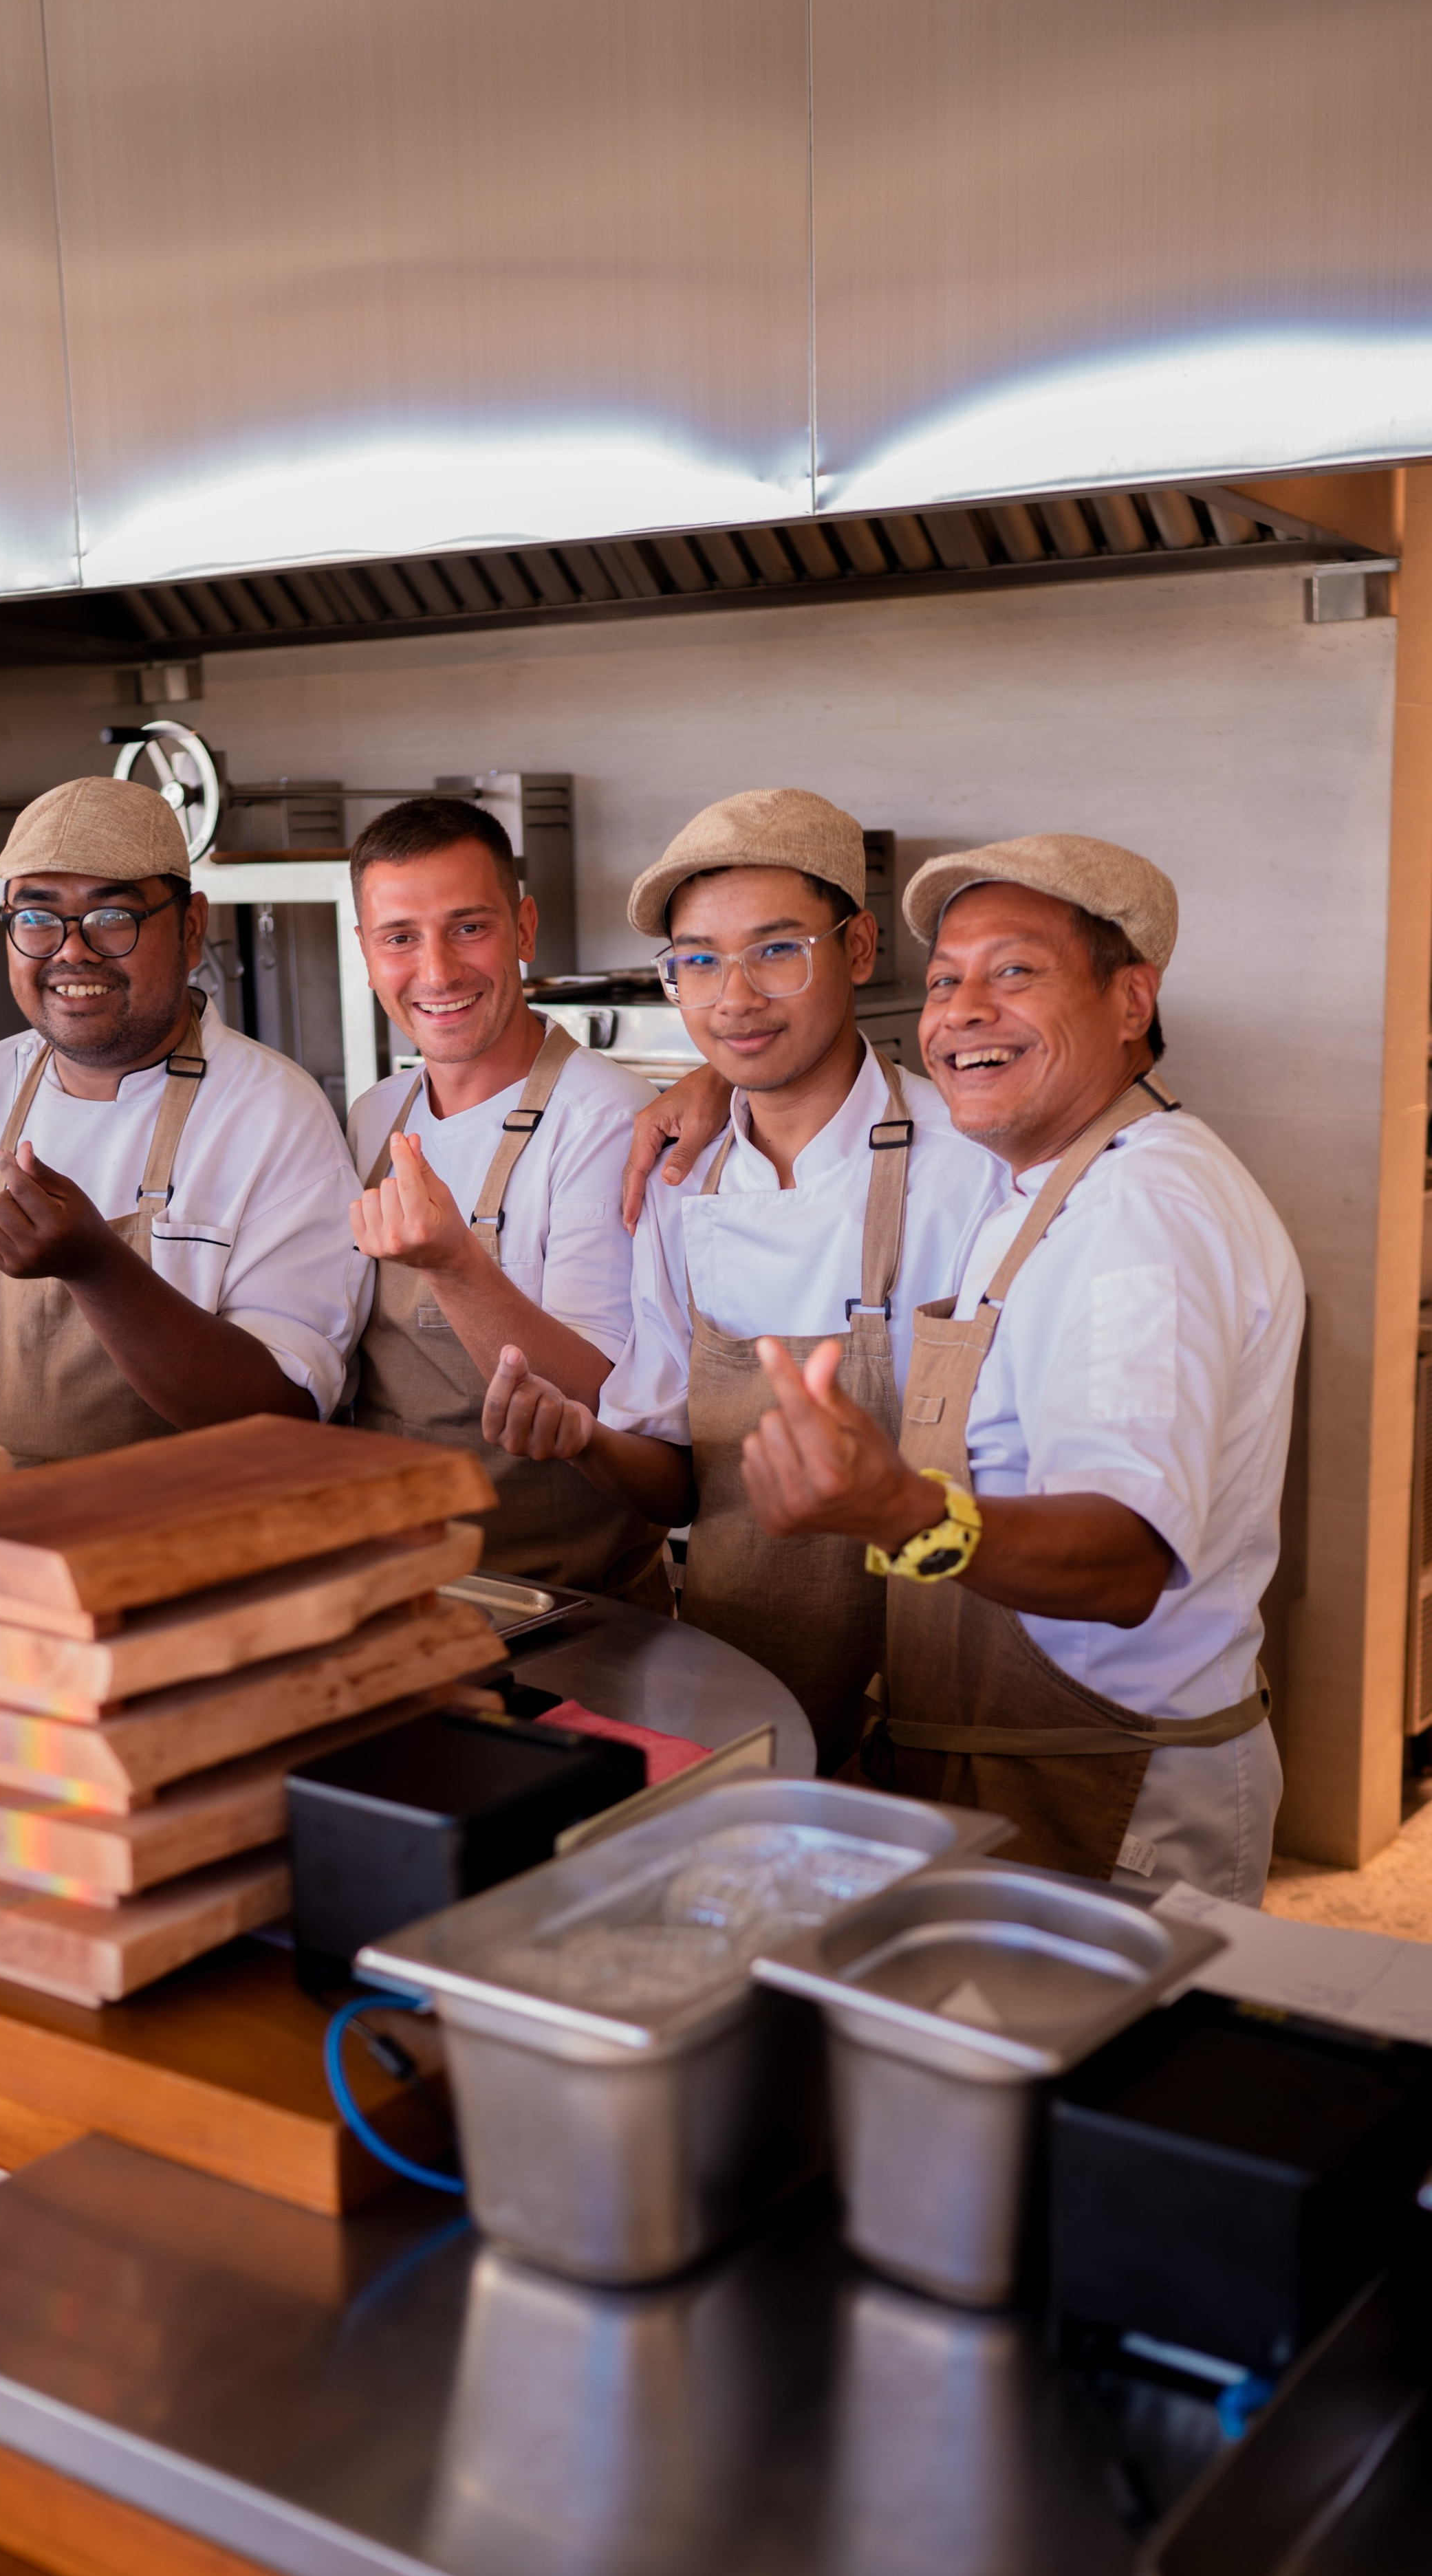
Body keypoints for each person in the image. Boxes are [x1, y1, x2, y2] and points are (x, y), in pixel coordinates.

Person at [730, 833, 1303, 1901]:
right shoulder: (1048, 1182)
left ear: (1131, 1002)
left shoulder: (1143, 1214)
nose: (961, 1012)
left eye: (1015, 972)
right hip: (1008, 1766)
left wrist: (902, 1509)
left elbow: (1123, 1560)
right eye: (946, 981)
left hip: (1112, 1808)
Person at [476, 788, 1000, 1765]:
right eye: (697, 963)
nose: (735, 998)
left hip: (945, 1696)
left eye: (776, 950)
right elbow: (677, 1488)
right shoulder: (682, 1179)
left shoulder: (971, 1167)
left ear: (857, 950)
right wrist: (585, 1439)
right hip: (745, 1683)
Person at [0, 776, 369, 1464]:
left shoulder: (274, 1115)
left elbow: (285, 1413)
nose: (71, 950)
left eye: (112, 916)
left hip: (180, 1551)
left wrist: (100, 1270)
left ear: (192, 925)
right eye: (36, 917)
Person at [345, 796, 667, 1599]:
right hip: (405, 1580)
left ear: (523, 929)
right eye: (399, 938)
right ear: (364, 951)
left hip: (570, 1603)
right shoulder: (373, 1115)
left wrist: (455, 1263)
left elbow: (598, 1404)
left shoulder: (606, 1118)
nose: (438, 971)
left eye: (469, 926)